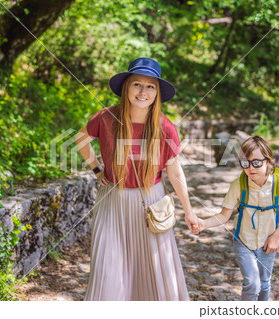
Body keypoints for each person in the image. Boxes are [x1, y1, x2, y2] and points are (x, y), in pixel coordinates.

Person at [76, 57, 198, 301]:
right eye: (137, 84)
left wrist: (189, 211)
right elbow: (81, 140)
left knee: (153, 270)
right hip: (112, 202)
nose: (143, 92)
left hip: (150, 203)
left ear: (157, 94)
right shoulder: (105, 117)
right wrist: (97, 169)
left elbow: (174, 172)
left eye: (150, 86)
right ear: (126, 87)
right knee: (107, 268)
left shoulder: (166, 127)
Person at [193, 136, 279, 301]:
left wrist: (276, 236)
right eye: (245, 163)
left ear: (268, 161)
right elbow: (224, 215)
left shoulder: (278, 185)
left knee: (264, 283)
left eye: (256, 162)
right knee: (252, 283)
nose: (250, 168)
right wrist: (204, 223)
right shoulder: (239, 185)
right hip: (243, 241)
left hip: (267, 243)